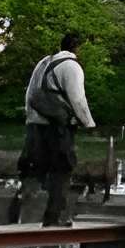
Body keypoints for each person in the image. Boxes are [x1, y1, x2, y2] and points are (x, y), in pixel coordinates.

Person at [22, 30, 96, 225]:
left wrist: (30, 119)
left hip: (34, 125)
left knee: (35, 169)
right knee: (62, 169)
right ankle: (54, 219)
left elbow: (30, 93)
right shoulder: (72, 67)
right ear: (78, 48)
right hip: (56, 128)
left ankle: (24, 218)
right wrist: (89, 123)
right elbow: (78, 100)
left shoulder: (44, 62)